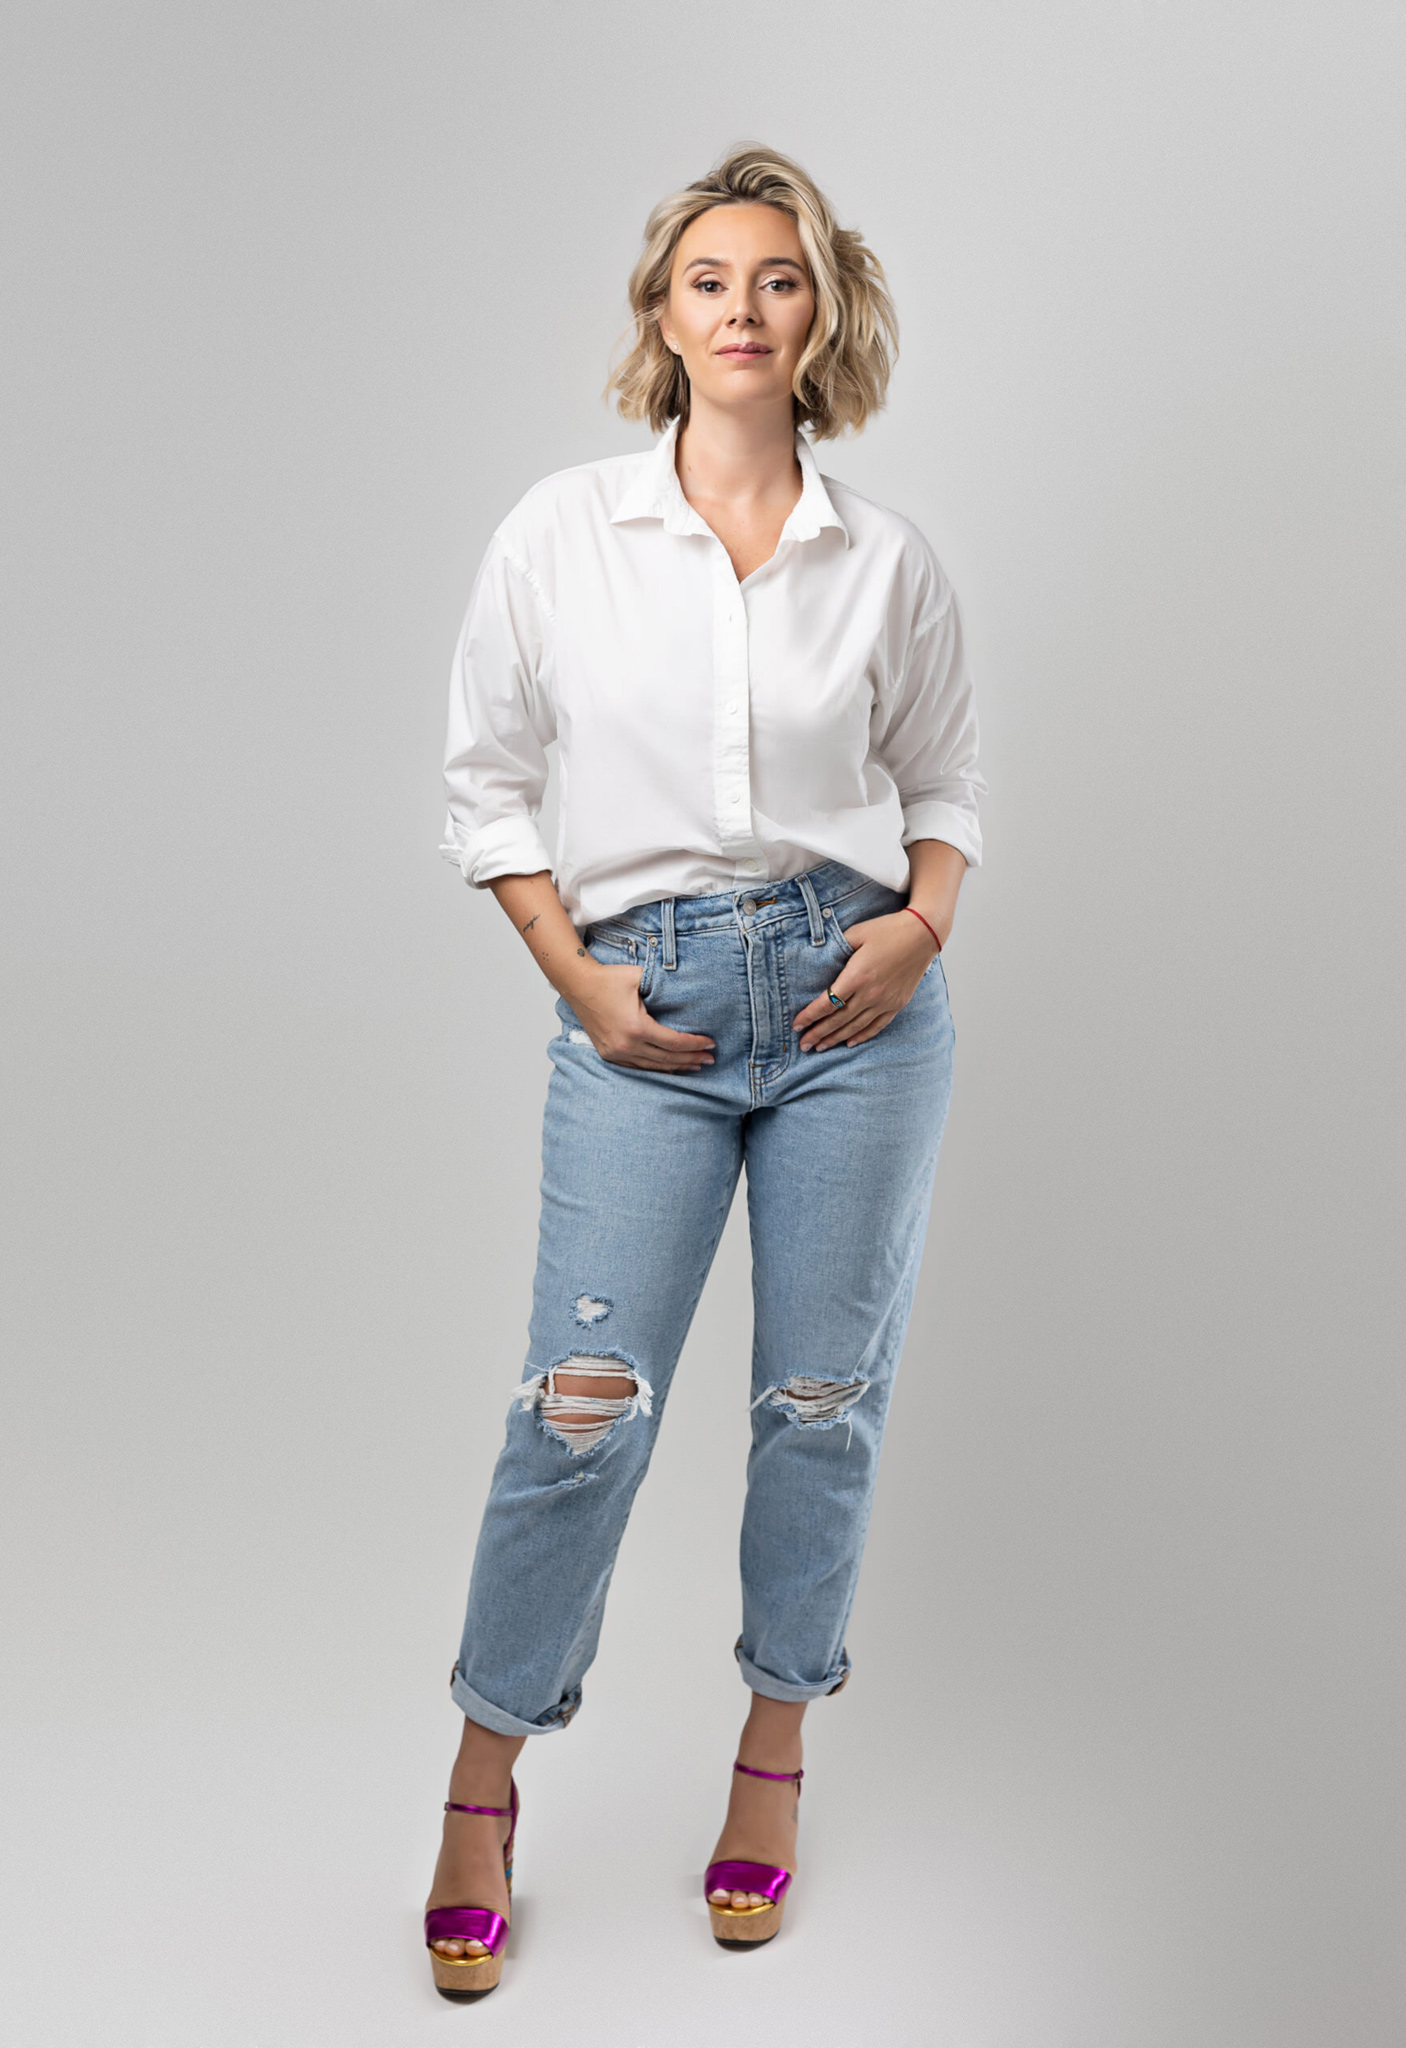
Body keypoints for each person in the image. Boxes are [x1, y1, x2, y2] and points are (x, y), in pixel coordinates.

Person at [423, 143, 985, 1997]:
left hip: (851, 1003)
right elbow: (487, 785)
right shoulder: (559, 533)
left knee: (819, 1408)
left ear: (821, 314)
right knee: (578, 1408)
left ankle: (771, 1755)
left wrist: (920, 926)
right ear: (659, 320)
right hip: (641, 1008)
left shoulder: (884, 557)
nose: (743, 312)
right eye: (708, 283)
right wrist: (572, 977)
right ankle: (482, 1781)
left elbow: (943, 789)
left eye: (779, 281)